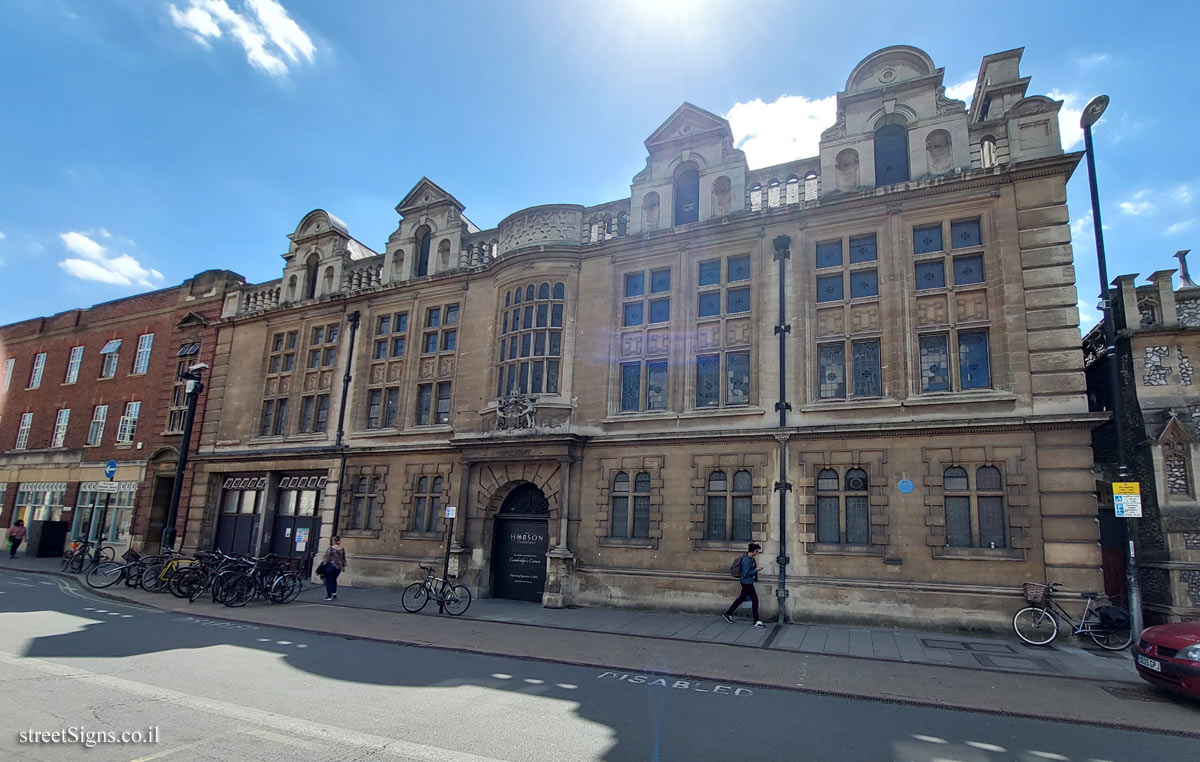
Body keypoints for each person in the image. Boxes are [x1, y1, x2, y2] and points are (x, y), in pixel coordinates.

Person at [723, 542, 765, 627]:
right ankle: (756, 621)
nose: (757, 553)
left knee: (741, 598)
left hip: (748, 582)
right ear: (752, 551)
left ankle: (728, 613)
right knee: (755, 600)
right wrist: (756, 570)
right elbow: (745, 573)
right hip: (746, 582)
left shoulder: (751, 559)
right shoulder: (746, 560)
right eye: (756, 551)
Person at [321, 536, 347, 601]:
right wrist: (343, 567)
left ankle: (329, 596)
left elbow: (326, 558)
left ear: (333, 541)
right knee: (334, 580)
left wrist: (323, 565)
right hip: (339, 567)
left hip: (330, 566)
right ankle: (334, 593)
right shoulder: (342, 549)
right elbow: (343, 558)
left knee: (329, 581)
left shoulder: (330, 548)